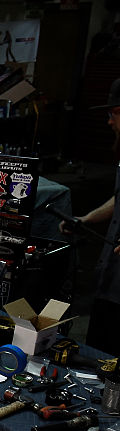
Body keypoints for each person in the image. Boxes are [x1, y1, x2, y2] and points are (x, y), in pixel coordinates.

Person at [60, 78, 120, 355]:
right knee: (100, 349)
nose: (109, 122)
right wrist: (86, 219)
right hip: (110, 275)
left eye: (113, 113)